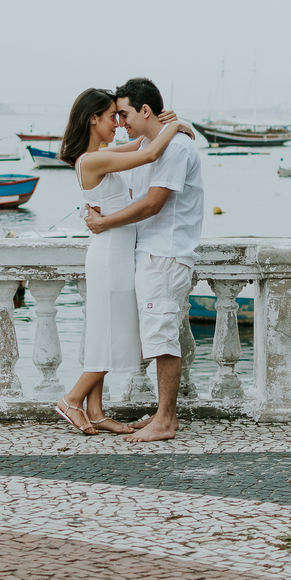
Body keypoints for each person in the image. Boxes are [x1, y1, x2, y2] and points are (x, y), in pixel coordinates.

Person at [54, 87, 190, 435]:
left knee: (104, 329)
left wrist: (162, 125)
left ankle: (96, 410)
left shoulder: (102, 154)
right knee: (113, 330)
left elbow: (144, 146)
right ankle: (72, 399)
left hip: (116, 249)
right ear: (93, 119)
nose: (117, 123)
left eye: (121, 115)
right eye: (111, 116)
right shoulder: (93, 159)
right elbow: (149, 155)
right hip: (111, 252)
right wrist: (176, 125)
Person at [86, 77, 204, 443]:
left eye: (123, 114)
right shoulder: (152, 143)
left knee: (163, 336)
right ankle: (161, 415)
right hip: (149, 254)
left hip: (165, 254)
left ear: (145, 110)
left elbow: (153, 203)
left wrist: (104, 223)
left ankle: (166, 420)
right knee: (156, 334)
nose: (119, 122)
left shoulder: (176, 149)